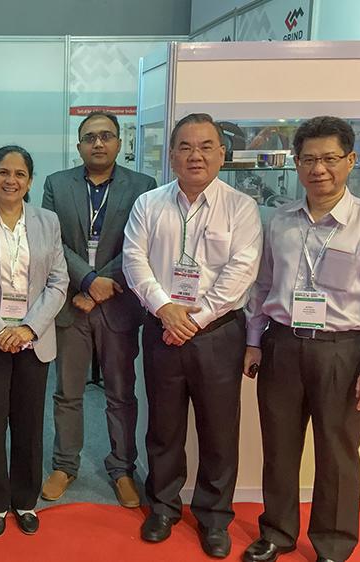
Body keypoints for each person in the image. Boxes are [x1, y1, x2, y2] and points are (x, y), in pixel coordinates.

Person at [122, 113, 262, 558]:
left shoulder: (241, 207)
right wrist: (165, 309)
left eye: (205, 147)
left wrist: (193, 321)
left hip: (217, 334)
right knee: (163, 427)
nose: (194, 155)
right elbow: (133, 260)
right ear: (171, 155)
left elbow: (241, 271)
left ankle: (214, 518)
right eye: (184, 146)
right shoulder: (149, 204)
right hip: (162, 327)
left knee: (219, 430)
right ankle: (163, 507)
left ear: (222, 153)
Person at [243, 116, 360, 562]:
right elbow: (263, 286)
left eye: (330, 158)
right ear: (296, 163)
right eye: (308, 159)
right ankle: (277, 532)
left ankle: (333, 544)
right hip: (282, 344)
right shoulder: (280, 219)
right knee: (278, 446)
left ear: (351, 160)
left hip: (343, 350)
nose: (319, 169)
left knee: (338, 452)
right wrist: (254, 340)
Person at [41, 111, 156, 506]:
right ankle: (64, 465)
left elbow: (140, 246)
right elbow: (52, 241)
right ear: (79, 146)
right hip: (71, 305)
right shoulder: (57, 184)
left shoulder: (142, 186)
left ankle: (122, 468)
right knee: (67, 392)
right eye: (90, 137)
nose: (98, 143)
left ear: (119, 143)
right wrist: (87, 281)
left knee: (121, 394)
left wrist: (98, 286)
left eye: (106, 136)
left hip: (118, 305)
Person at [0, 145, 68, 537]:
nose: (11, 180)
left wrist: (28, 328)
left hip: (32, 340)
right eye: (3, 172)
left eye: (20, 174)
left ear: (30, 181)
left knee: (28, 424)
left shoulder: (47, 221)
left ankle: (24, 501)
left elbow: (58, 281)